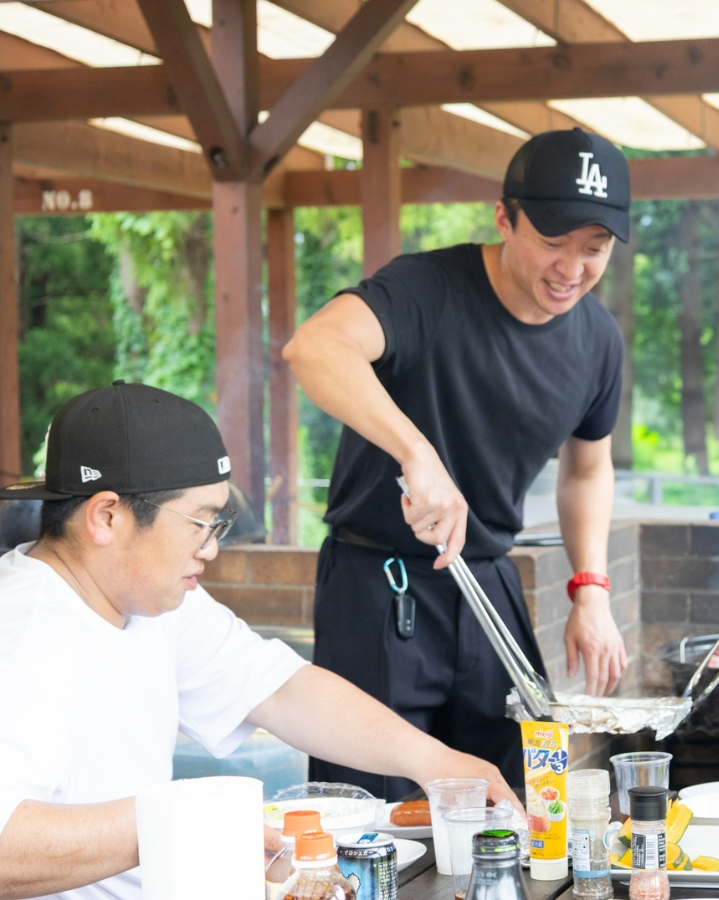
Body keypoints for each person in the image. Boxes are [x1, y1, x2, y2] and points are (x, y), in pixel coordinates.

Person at [0, 382, 521, 900]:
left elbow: (281, 690)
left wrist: (436, 762)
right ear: (107, 516)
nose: (212, 549)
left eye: (219, 522)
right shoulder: (23, 638)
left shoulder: (148, 599)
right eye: (199, 523)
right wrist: (183, 819)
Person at [284, 128, 630, 798]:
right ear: (504, 218)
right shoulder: (427, 288)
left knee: (517, 798)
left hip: (488, 585)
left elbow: (587, 469)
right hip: (378, 583)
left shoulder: (597, 341)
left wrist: (591, 590)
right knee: (375, 813)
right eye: (553, 242)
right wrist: (418, 454)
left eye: (594, 249)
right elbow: (315, 347)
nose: (572, 269)